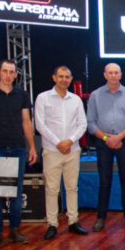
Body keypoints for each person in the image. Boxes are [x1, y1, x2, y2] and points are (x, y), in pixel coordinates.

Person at [0, 59, 37, 249]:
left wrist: (32, 147)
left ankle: (15, 230)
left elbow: (26, 122)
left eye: (12, 72)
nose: (9, 75)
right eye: (5, 71)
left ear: (16, 74)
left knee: (16, 193)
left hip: (17, 148)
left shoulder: (22, 94)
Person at [34, 66, 88, 240]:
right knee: (52, 189)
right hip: (51, 150)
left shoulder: (76, 100)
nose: (64, 79)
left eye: (67, 77)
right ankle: (52, 224)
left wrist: (70, 141)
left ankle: (73, 221)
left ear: (71, 79)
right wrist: (58, 143)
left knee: (72, 187)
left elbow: (82, 124)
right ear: (54, 77)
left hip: (72, 150)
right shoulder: (43, 98)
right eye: (61, 76)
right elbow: (40, 125)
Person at [86, 63, 125, 232]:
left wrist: (119, 137)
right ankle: (101, 217)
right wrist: (105, 138)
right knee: (104, 181)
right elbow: (90, 123)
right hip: (103, 142)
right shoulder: (95, 95)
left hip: (124, 141)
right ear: (105, 75)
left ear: (120, 75)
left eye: (116, 73)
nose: (113, 75)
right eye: (110, 73)